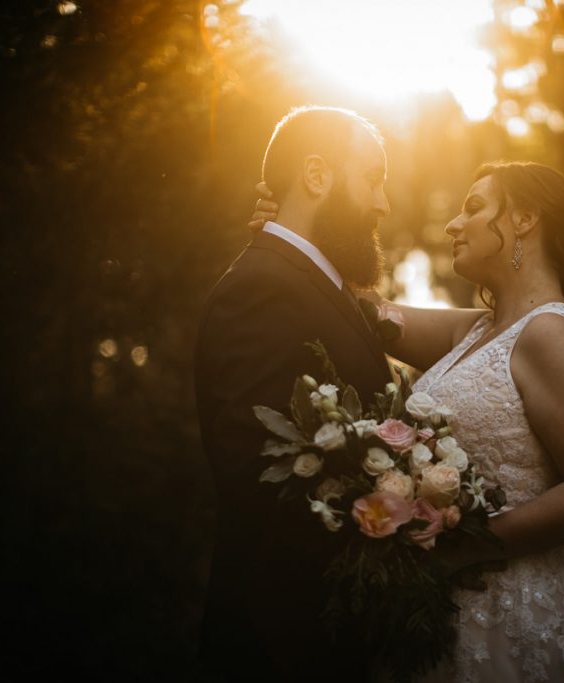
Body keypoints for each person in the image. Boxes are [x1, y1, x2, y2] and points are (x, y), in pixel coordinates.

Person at [250, 161, 564, 682]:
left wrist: (461, 547)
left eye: (473, 208)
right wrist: (295, 232)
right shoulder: (476, 332)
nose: (454, 224)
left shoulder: (550, 333)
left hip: (518, 608)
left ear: (524, 219)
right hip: (449, 611)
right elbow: (367, 312)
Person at [194, 105, 394, 681]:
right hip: (286, 644)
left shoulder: (313, 284)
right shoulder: (261, 289)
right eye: (373, 178)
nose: (382, 203)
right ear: (316, 175)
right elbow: (260, 476)